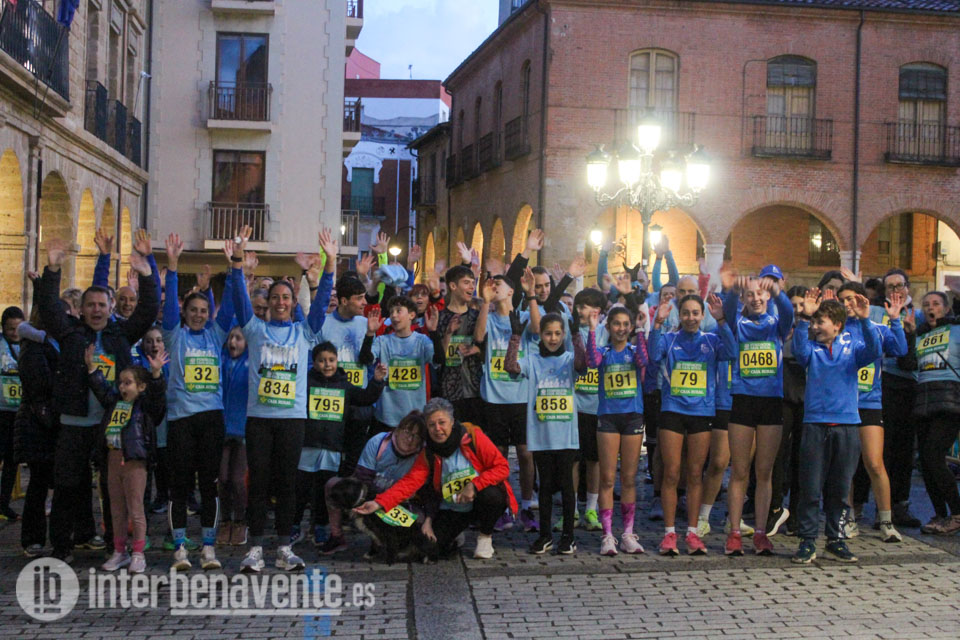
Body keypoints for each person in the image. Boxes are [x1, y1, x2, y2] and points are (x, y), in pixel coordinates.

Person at [38, 237, 159, 563]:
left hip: (111, 425)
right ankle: (62, 546)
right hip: (74, 423)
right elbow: (48, 308)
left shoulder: (121, 335)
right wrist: (52, 268)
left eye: (101, 305)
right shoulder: (71, 334)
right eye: (90, 305)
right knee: (67, 486)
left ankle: (114, 545)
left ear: (110, 308)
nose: (96, 310)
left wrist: (148, 275)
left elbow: (148, 310)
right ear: (81, 309)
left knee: (112, 489)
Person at [229, 225, 336, 573]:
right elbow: (239, 298)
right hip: (259, 419)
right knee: (259, 484)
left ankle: (284, 548)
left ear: (292, 303)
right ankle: (256, 548)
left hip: (292, 420)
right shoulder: (255, 329)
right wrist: (237, 260)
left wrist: (330, 263)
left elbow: (321, 303)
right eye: (275, 297)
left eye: (286, 298)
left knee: (288, 485)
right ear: (268, 302)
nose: (280, 302)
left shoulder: (305, 332)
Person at [355, 398, 517, 560]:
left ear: (452, 422)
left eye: (442, 423)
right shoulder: (428, 452)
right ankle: (456, 533)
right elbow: (409, 483)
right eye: (432, 425)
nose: (437, 429)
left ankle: (485, 536)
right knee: (430, 548)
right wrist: (379, 503)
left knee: (492, 496)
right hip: (452, 508)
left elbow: (502, 467)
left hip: (479, 499)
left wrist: (474, 486)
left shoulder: (473, 437)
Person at [162, 233, 236, 571]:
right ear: (184, 311)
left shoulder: (216, 334)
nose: (198, 315)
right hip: (181, 419)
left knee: (209, 485)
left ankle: (208, 546)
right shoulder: (173, 334)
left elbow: (230, 307)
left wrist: (233, 269)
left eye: (204, 310)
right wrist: (173, 265)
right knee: (179, 486)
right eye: (193, 310)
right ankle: (180, 548)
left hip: (211, 419)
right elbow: (167, 311)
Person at [791, 289, 880, 564]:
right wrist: (804, 318)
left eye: (821, 322)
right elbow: (799, 350)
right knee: (810, 488)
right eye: (815, 322)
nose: (816, 327)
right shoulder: (812, 349)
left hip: (847, 426)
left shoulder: (852, 349)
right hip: (815, 426)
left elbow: (875, 350)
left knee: (840, 489)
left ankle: (835, 540)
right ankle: (807, 541)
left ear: (837, 325)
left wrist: (865, 320)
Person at [649, 294, 735, 555]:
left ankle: (693, 533)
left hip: (701, 412)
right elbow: (653, 355)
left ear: (702, 315)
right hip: (672, 411)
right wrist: (657, 324)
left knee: (696, 473)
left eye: (695, 313)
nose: (690, 318)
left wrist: (722, 321)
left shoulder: (711, 340)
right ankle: (669, 533)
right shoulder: (670, 339)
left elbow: (732, 352)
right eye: (685, 313)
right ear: (679, 315)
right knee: (672, 473)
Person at [722, 273, 793, 556]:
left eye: (759, 294)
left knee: (764, 472)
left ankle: (761, 533)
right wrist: (733, 290)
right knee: (740, 471)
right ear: (744, 299)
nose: (755, 299)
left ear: (767, 297)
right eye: (749, 294)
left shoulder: (776, 326)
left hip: (771, 403)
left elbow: (788, 312)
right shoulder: (738, 325)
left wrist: (777, 291)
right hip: (743, 401)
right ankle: (735, 532)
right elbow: (728, 310)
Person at [505, 311, 587, 554]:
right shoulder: (532, 360)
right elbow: (510, 366)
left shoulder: (569, 358)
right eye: (548, 333)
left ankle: (568, 536)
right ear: (540, 334)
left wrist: (577, 336)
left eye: (558, 333)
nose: (553, 338)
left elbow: (583, 364)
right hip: (541, 436)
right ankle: (545, 535)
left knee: (567, 485)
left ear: (563, 335)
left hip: (566, 435)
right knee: (546, 485)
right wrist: (515, 337)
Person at [292, 342, 386, 547]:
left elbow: (366, 398)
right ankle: (294, 526)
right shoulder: (305, 383)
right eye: (322, 361)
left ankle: (321, 526)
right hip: (308, 445)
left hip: (332, 448)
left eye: (331, 360)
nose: (327, 365)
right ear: (314, 363)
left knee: (324, 490)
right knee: (300, 488)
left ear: (337, 361)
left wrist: (377, 381)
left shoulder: (344, 385)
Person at [836, 282, 907, 543]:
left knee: (875, 463)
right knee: (845, 466)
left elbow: (900, 350)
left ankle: (886, 521)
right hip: (842, 405)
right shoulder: (836, 330)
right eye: (843, 300)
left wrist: (895, 320)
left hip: (869, 403)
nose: (848, 304)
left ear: (863, 299)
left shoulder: (876, 328)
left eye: (852, 299)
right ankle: (848, 517)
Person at [87, 344, 167, 573]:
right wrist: (92, 369)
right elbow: (102, 390)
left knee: (136, 508)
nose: (123, 387)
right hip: (113, 459)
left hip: (134, 462)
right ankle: (119, 551)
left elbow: (157, 400)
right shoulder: (114, 403)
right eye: (121, 383)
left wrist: (156, 374)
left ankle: (138, 553)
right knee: (116, 509)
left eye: (128, 383)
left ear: (141, 387)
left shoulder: (144, 407)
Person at [474, 273, 541, 531]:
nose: (493, 287)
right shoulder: (489, 318)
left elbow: (537, 330)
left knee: (525, 453)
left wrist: (531, 293)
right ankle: (502, 505)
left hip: (521, 396)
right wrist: (485, 302)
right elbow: (479, 337)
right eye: (490, 285)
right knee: (498, 455)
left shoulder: (523, 316)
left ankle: (526, 506)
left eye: (498, 284)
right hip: (494, 397)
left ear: (511, 291)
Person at [586, 306, 648, 556]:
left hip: (633, 417)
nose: (621, 329)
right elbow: (591, 362)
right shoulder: (604, 352)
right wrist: (592, 329)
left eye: (625, 324)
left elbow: (644, 361)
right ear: (609, 326)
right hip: (608, 418)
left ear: (630, 327)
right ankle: (607, 535)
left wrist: (641, 330)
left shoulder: (634, 351)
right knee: (608, 478)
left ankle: (628, 534)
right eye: (616, 324)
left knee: (629, 478)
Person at [320, 412, 425, 554]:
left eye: (416, 436)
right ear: (398, 429)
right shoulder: (378, 442)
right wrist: (375, 501)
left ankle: (392, 542)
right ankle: (336, 536)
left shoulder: (422, 455)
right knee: (333, 485)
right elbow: (362, 477)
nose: (410, 439)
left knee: (419, 519)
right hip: (371, 494)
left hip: (402, 501)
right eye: (407, 432)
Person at [874, 269, 925, 528]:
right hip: (883, 383)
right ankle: (881, 508)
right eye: (890, 287)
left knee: (905, 449)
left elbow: (911, 359)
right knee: (885, 449)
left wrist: (911, 332)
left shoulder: (921, 314)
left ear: (908, 287)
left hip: (910, 386)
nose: (895, 290)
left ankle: (901, 505)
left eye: (899, 285)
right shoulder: (877, 313)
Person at [13, 292, 60, 556]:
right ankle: (33, 538)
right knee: (39, 483)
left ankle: (59, 535)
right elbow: (40, 384)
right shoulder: (34, 344)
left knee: (53, 482)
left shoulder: (52, 342)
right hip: (39, 422)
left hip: (50, 420)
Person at [910, 291, 960, 535]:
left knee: (933, 455)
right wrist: (909, 333)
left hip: (950, 400)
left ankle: (957, 513)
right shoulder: (920, 335)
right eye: (927, 304)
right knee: (925, 461)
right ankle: (940, 514)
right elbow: (907, 364)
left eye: (936, 304)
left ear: (946, 308)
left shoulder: (956, 330)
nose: (931, 308)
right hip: (924, 401)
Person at [319, 275, 377, 477]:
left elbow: (368, 362)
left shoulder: (366, 323)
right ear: (344, 301)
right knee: (331, 459)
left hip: (359, 404)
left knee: (353, 460)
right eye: (359, 298)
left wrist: (370, 334)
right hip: (331, 401)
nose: (364, 302)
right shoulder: (324, 324)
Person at [362, 296, 436, 432]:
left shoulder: (422, 341)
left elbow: (438, 360)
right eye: (391, 312)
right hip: (386, 418)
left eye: (398, 311)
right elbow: (366, 359)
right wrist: (370, 333)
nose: (394, 315)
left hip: (414, 416)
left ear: (411, 315)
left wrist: (433, 332)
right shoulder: (382, 341)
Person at [572, 288, 608, 531]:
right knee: (573, 459)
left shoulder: (606, 331)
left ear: (596, 310)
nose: (579, 310)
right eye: (577, 306)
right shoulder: (570, 331)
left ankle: (591, 509)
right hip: (573, 406)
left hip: (597, 406)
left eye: (583, 306)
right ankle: (572, 509)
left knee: (594, 460)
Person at [434, 265, 484, 424]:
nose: (471, 287)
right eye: (466, 283)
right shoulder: (439, 318)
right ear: (453, 286)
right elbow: (437, 358)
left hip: (476, 389)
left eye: (473, 283)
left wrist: (477, 350)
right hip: (448, 390)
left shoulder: (477, 317)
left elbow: (487, 350)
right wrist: (448, 333)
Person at [218, 326, 250, 547]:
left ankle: (240, 521)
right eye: (231, 337)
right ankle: (225, 521)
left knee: (238, 480)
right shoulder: (220, 359)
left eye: (239, 338)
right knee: (222, 478)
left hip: (243, 430)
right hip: (221, 429)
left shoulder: (252, 362)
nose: (233, 342)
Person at [0, 305, 23, 521]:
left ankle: (3, 503)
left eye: (18, 328)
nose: (15, 332)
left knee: (12, 461)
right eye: (10, 329)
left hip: (20, 412)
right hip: (1, 411)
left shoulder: (30, 345)